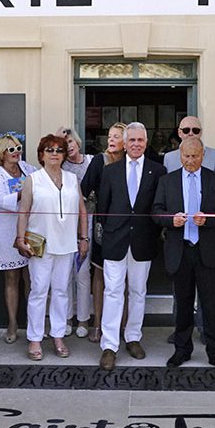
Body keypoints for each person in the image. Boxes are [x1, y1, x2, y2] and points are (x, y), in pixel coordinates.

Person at [153, 136, 215, 370]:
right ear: (180, 156)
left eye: (195, 156)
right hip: (179, 249)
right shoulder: (167, 181)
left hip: (207, 250)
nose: (190, 161)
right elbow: (156, 212)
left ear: (202, 155)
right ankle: (182, 350)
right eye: (186, 157)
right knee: (183, 304)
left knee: (210, 306)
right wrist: (171, 220)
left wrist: (207, 219)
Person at [95, 122, 163, 370]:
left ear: (146, 142)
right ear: (124, 143)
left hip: (143, 242)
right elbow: (103, 209)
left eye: (140, 140)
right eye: (131, 140)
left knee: (138, 292)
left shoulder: (158, 171)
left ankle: (133, 338)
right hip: (115, 241)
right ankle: (109, 346)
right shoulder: (110, 171)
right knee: (112, 292)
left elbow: (158, 207)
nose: (136, 144)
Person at [14, 135, 87, 360]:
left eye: (59, 150)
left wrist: (84, 238)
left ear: (64, 154)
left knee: (61, 291)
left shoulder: (72, 179)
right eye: (49, 150)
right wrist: (19, 238)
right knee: (39, 291)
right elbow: (23, 212)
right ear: (41, 154)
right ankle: (35, 338)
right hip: (40, 244)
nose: (54, 153)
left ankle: (57, 335)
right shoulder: (33, 179)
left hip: (66, 244)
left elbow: (82, 210)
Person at [80, 122, 126, 344]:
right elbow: (83, 190)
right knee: (99, 274)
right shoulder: (100, 161)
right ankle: (97, 324)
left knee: (123, 279)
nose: (111, 139)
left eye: (117, 136)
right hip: (102, 226)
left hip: (127, 226)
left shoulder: (131, 162)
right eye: (110, 135)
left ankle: (123, 328)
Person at [0, 134, 35, 344]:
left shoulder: (28, 168)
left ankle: (33, 323)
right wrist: (24, 192)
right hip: (7, 229)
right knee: (11, 278)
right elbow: (1, 201)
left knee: (31, 277)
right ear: (1, 153)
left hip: (29, 228)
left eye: (18, 147)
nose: (17, 151)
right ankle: (12, 323)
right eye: (11, 149)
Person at [58, 128, 93, 338]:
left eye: (70, 141)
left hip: (85, 223)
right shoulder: (59, 165)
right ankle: (66, 318)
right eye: (64, 143)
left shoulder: (91, 161)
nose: (68, 146)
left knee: (83, 272)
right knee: (65, 275)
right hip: (64, 225)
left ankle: (83, 319)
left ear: (77, 142)